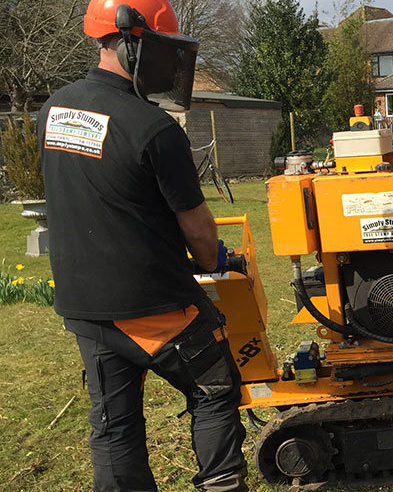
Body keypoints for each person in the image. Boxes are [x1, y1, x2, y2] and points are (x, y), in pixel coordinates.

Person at [38, 0, 248, 490]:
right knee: (214, 386)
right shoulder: (153, 128)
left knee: (113, 421)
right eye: (159, 51)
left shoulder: (54, 110)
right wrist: (213, 259)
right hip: (150, 306)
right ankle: (222, 484)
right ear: (131, 43)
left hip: (83, 305)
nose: (166, 65)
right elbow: (197, 228)